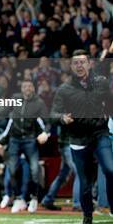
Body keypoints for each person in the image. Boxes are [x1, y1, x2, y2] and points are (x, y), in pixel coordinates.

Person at [51, 50, 113, 224]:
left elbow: (110, 103)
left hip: (100, 133)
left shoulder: (101, 83)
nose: (79, 66)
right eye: (75, 63)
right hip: (78, 139)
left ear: (89, 64)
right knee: (84, 182)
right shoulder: (64, 89)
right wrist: (62, 118)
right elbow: (53, 113)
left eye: (82, 62)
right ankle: (87, 215)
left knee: (110, 169)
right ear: (71, 66)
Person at [0, 80, 50, 214]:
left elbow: (46, 122)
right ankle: (18, 198)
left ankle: (34, 198)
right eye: (24, 86)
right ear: (21, 88)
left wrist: (45, 133)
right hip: (14, 140)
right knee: (12, 169)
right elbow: (4, 114)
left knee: (34, 170)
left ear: (34, 88)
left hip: (30, 139)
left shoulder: (39, 103)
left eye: (30, 86)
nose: (27, 89)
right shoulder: (15, 99)